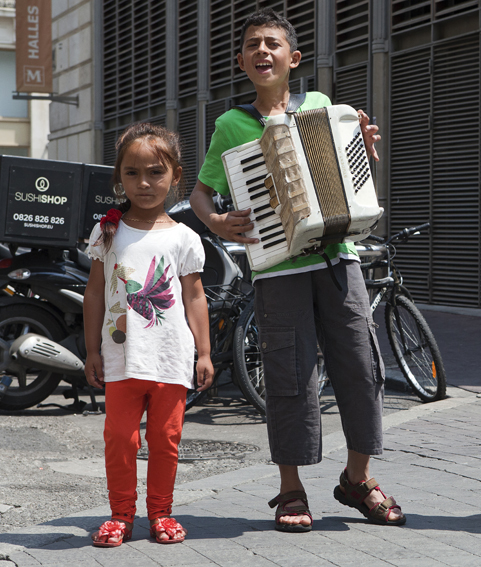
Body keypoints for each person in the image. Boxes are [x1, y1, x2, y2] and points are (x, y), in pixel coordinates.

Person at [189, 8, 404, 532]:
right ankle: (290, 490)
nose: (262, 51)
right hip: (279, 267)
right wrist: (217, 221)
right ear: (241, 60)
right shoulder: (231, 124)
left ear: (294, 57)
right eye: (252, 45)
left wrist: (360, 153)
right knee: (289, 377)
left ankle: (357, 479)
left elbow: (348, 168)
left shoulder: (323, 106)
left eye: (272, 43)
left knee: (361, 365)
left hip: (338, 259)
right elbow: (199, 192)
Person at [84, 123, 213, 547]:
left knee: (166, 439)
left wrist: (204, 353)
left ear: (176, 177)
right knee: (120, 438)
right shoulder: (107, 232)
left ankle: (161, 511)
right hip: (121, 358)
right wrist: (91, 351)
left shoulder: (184, 237)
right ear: (118, 177)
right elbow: (95, 294)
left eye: (155, 172)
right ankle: (121, 514)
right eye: (132, 173)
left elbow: (195, 297)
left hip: (170, 358)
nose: (144, 183)